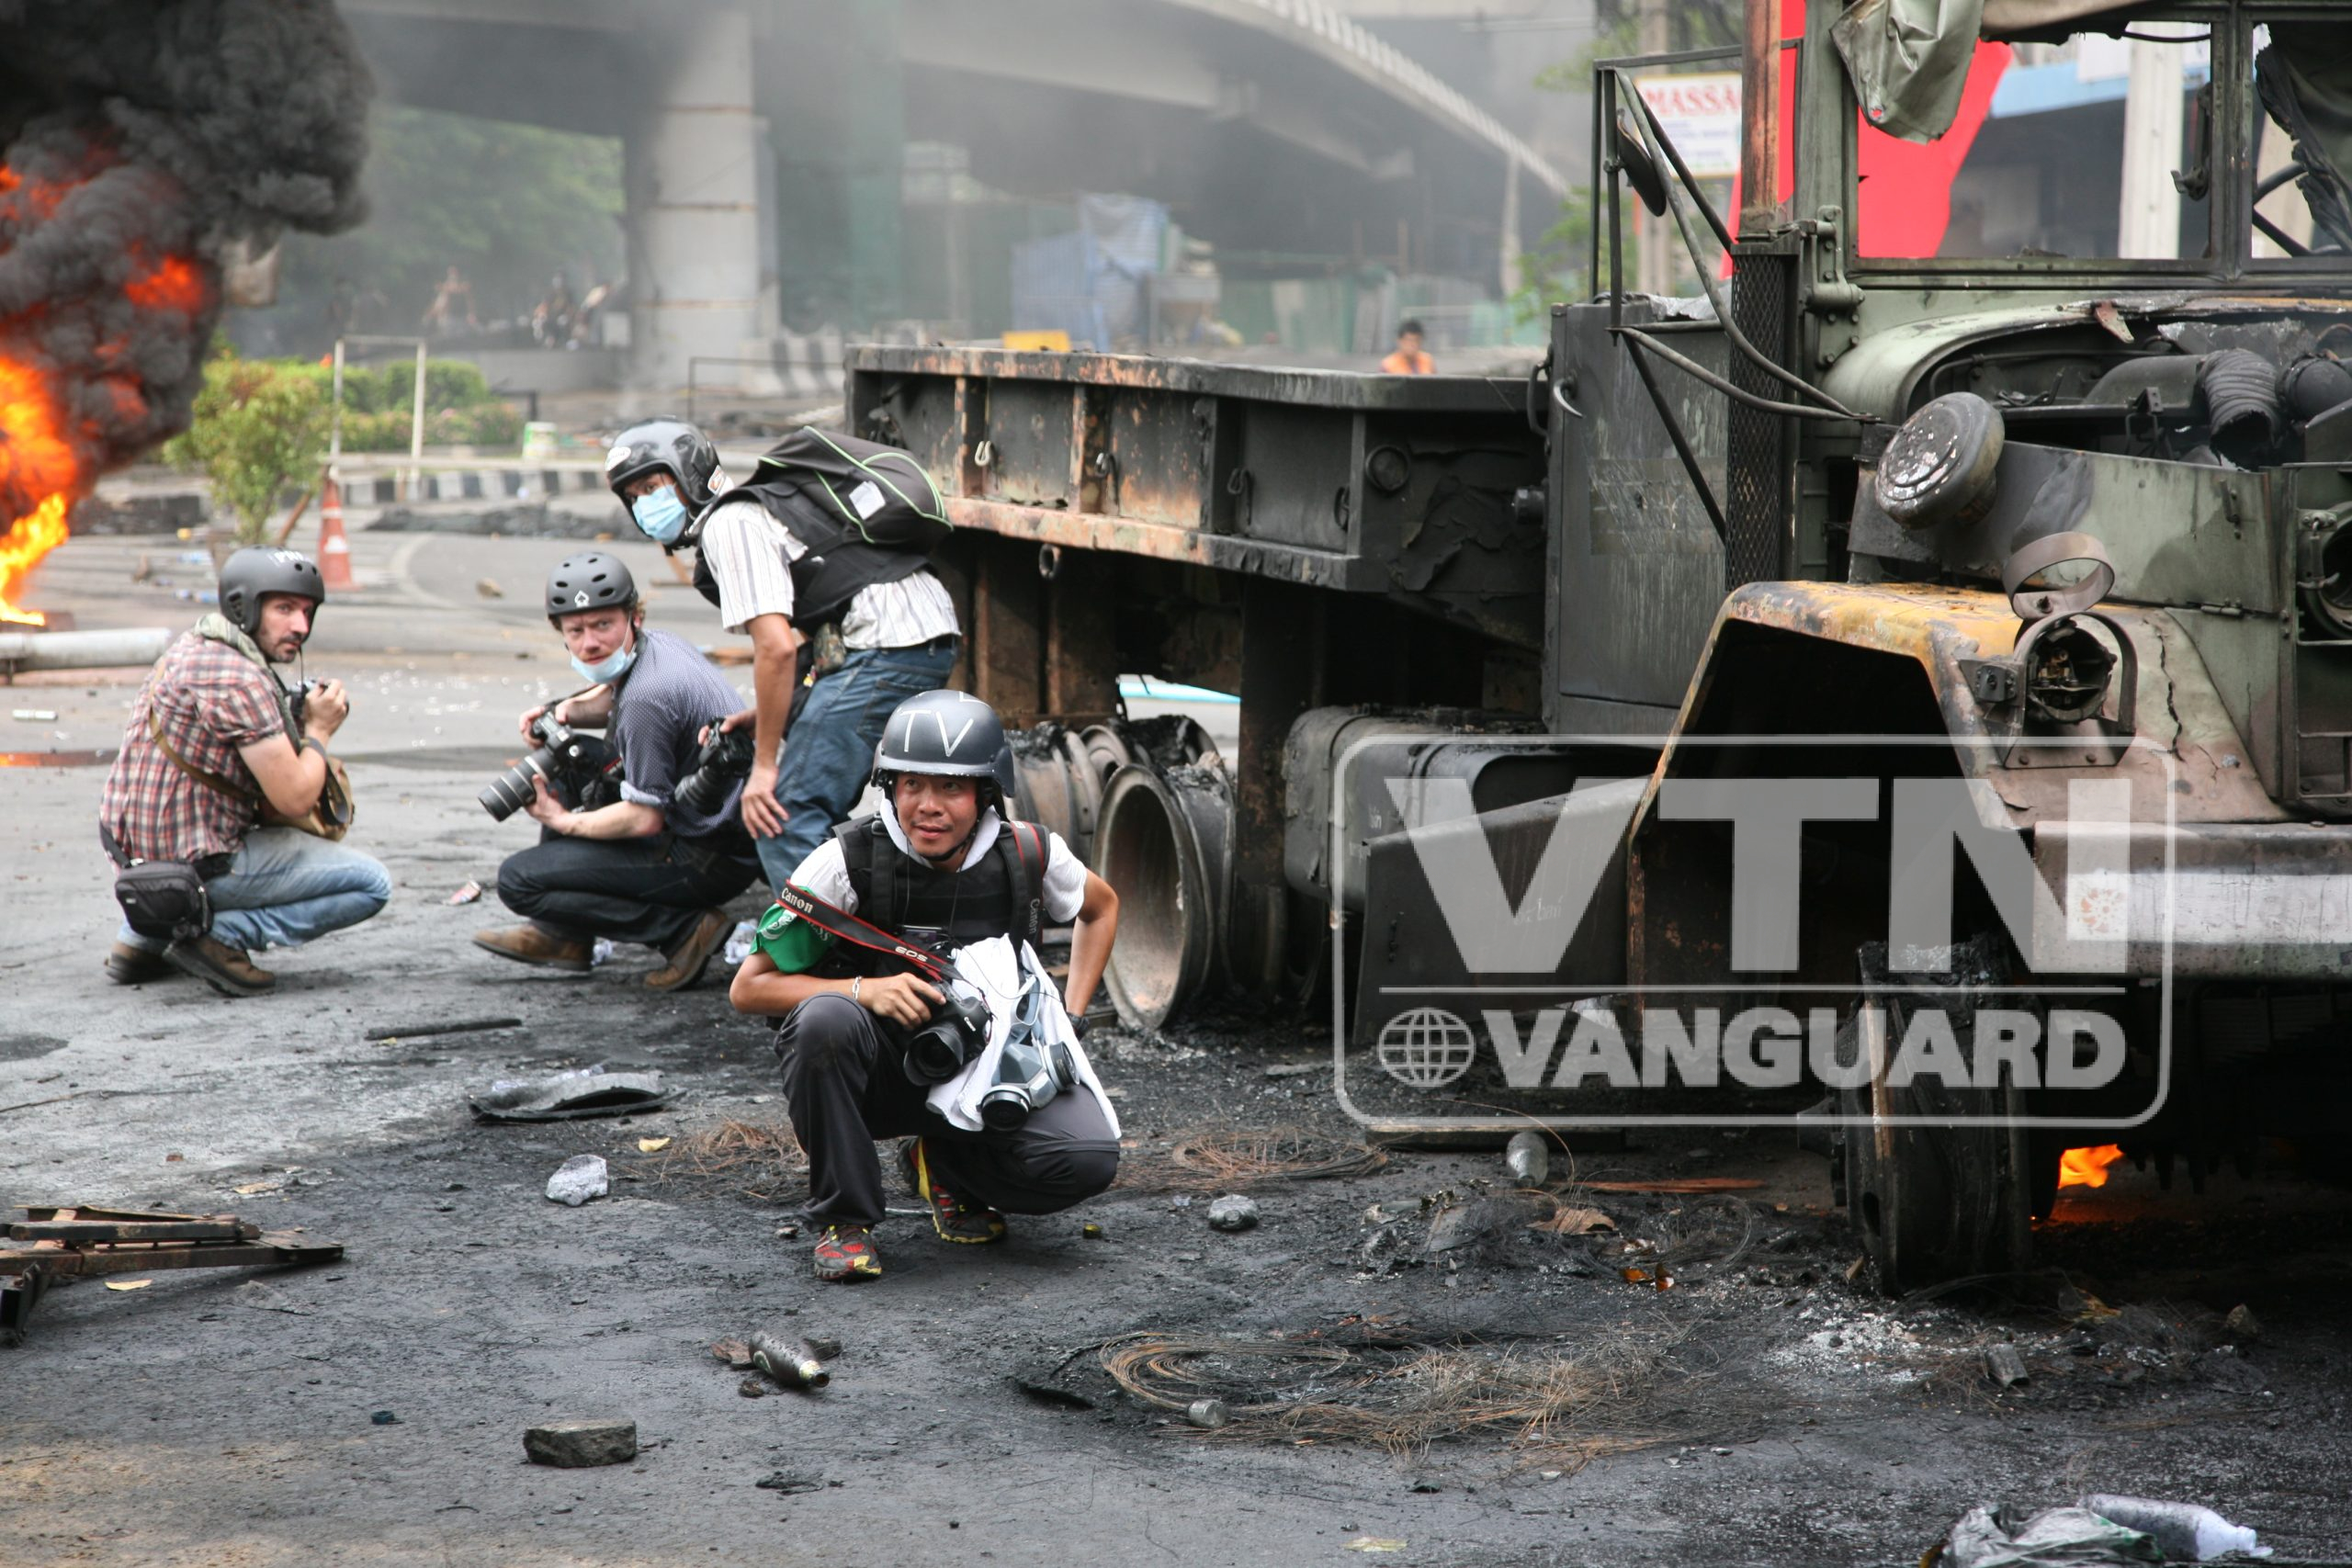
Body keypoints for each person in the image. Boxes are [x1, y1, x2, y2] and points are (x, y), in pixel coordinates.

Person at [730, 690, 1121, 1282]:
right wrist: (862, 991)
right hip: (882, 1073)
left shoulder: (1028, 852)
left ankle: (945, 1165)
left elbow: (1102, 907)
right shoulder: (846, 861)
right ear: (889, 787)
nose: (928, 807)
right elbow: (748, 988)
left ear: (985, 793)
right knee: (823, 1021)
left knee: (1085, 1159)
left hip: (991, 1067)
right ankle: (846, 1220)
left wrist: (1069, 1015)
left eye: (951, 788)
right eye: (911, 784)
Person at [605, 418, 961, 900]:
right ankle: (869, 921)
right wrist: (770, 715)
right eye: (634, 497)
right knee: (822, 812)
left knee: (782, 817)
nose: (645, 504)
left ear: (690, 475)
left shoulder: (729, 524)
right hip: (910, 636)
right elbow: (817, 641)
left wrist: (765, 767)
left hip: (886, 642)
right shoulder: (758, 512)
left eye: (652, 487)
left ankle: (830, 945)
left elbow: (777, 648)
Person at [97, 547, 390, 997]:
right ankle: (218, 937)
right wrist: (319, 731)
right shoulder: (240, 679)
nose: (301, 626)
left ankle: (142, 937)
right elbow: (294, 798)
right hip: (195, 866)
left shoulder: (193, 647)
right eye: (284, 609)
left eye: (307, 612)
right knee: (372, 884)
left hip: (132, 859)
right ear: (243, 607)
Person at [472, 551, 759, 991]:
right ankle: (564, 935)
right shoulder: (660, 646)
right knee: (571, 761)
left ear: (633, 617)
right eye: (576, 631)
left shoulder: (648, 698)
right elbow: (616, 696)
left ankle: (683, 931)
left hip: (706, 858)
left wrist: (563, 821)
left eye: (603, 625)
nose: (590, 642)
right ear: (561, 633)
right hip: (721, 830)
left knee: (519, 881)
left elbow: (645, 817)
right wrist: (563, 711)